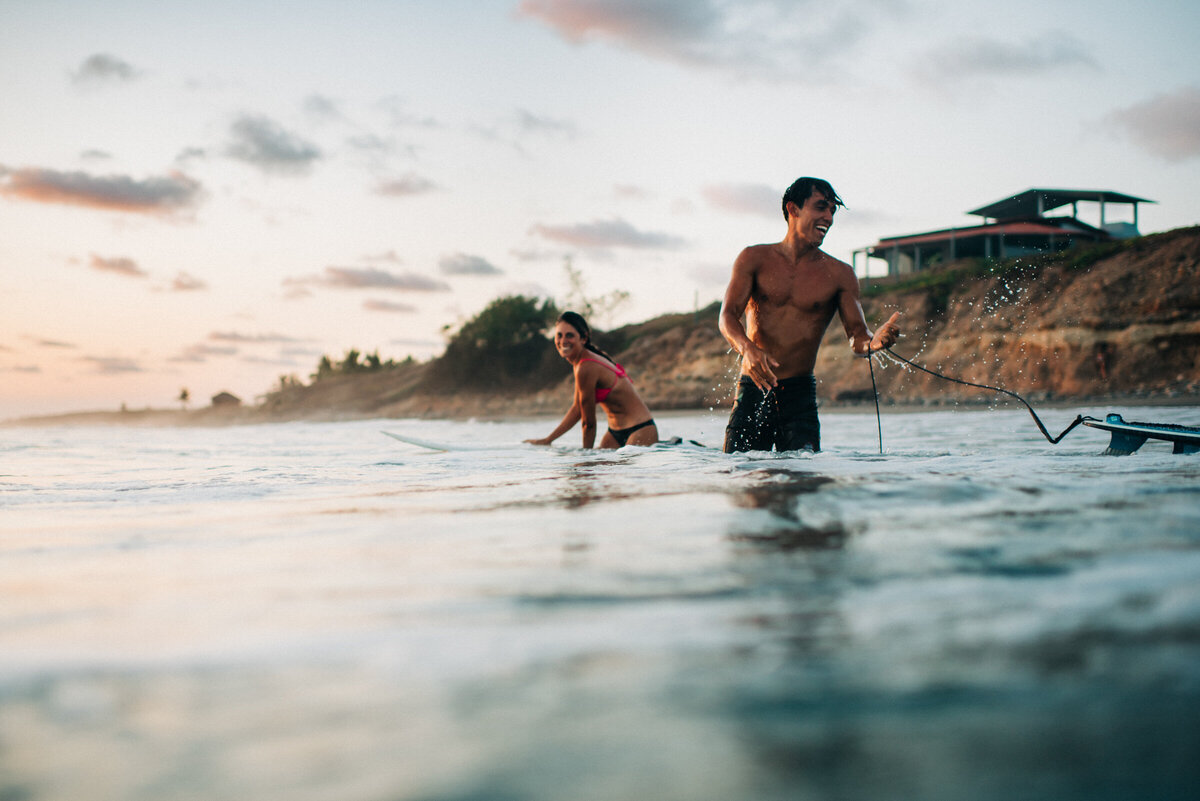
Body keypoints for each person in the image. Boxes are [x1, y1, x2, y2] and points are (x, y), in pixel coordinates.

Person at [719, 176, 901, 453]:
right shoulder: (753, 258)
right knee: (743, 482)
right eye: (820, 207)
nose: (828, 217)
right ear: (793, 209)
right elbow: (727, 316)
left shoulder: (840, 274)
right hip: (753, 388)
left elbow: (858, 337)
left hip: (799, 398)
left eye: (832, 211)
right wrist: (748, 349)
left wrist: (874, 342)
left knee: (801, 487)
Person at [525, 311, 659, 449]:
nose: (563, 341)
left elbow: (588, 422)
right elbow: (578, 408)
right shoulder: (581, 362)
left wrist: (586, 458)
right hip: (615, 433)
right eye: (559, 335)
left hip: (640, 429)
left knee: (590, 464)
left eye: (569, 335)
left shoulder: (586, 366)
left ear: (583, 338)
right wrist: (548, 439)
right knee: (600, 463)